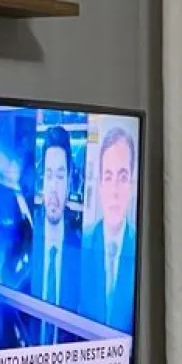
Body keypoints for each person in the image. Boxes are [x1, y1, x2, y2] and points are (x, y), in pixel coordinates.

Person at [78, 123, 138, 332]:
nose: (114, 190)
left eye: (122, 178)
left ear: (131, 186)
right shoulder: (81, 244)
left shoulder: (142, 249)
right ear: (100, 186)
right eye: (108, 177)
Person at [34, 124, 81, 332]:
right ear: (42, 181)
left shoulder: (81, 255)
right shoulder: (26, 243)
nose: (53, 188)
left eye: (60, 177)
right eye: (49, 175)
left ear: (69, 183)